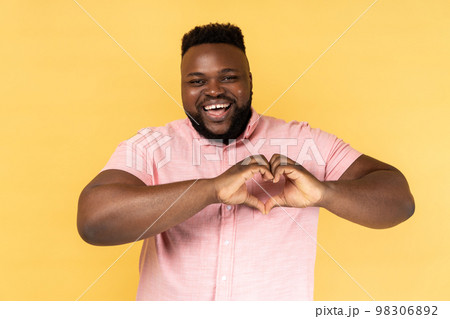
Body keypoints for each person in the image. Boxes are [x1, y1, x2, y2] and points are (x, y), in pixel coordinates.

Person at [77, 23, 415, 300]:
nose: (213, 91)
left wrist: (324, 193)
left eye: (228, 77)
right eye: (197, 81)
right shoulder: (152, 145)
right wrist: (211, 190)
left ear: (249, 81)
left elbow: (399, 202)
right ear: (181, 88)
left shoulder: (304, 142)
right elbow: (94, 221)